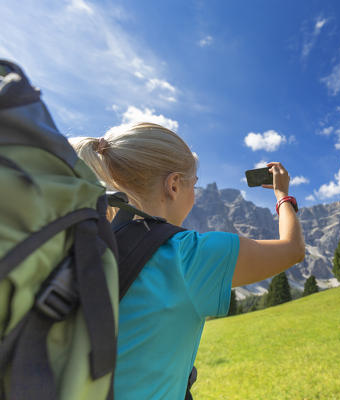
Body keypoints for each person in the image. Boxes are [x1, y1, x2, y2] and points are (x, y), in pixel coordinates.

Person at [69, 122, 305, 399]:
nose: (195, 194)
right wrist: (282, 195)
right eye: (194, 184)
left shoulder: (78, 244)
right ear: (173, 185)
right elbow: (293, 249)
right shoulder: (188, 255)